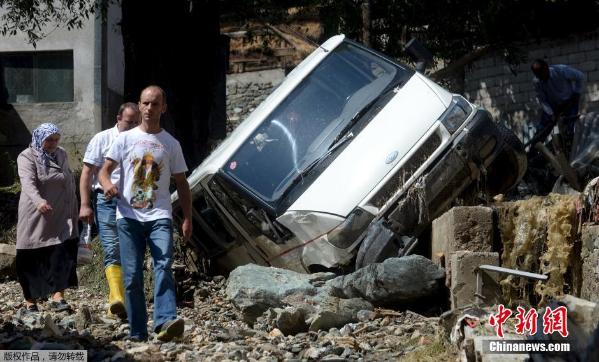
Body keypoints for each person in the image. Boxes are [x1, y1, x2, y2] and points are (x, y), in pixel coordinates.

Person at [98, 85, 192, 342]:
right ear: (139, 106)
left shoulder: (171, 144)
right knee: (132, 276)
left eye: (155, 104)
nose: (150, 108)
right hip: (128, 217)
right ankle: (138, 330)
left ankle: (164, 322)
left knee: (163, 265)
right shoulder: (124, 139)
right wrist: (107, 186)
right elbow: (103, 171)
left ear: (164, 108)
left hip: (159, 215)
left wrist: (187, 218)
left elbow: (182, 183)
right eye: (145, 103)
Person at [79, 103, 140, 319]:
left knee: (130, 248)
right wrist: (85, 204)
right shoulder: (102, 139)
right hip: (105, 201)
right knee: (111, 245)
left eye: (136, 122)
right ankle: (116, 297)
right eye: (128, 121)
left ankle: (126, 297)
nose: (132, 125)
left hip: (133, 202)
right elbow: (86, 173)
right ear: (118, 118)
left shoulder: (140, 140)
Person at [16, 123, 79, 312]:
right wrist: (39, 201)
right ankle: (30, 300)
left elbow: (67, 178)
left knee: (61, 251)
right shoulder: (26, 156)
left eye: (56, 139)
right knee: (31, 253)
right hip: (37, 212)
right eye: (49, 140)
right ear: (39, 139)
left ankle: (58, 295)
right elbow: (27, 182)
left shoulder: (61, 154)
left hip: (61, 211)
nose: (53, 144)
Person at [531, 59, 585, 144]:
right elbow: (542, 100)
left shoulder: (561, 70)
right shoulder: (537, 81)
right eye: (537, 75)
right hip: (553, 105)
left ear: (546, 68)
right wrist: (551, 114)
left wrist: (576, 93)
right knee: (541, 130)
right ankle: (532, 151)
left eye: (540, 74)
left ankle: (569, 148)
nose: (539, 77)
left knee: (569, 129)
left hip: (569, 102)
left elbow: (580, 76)